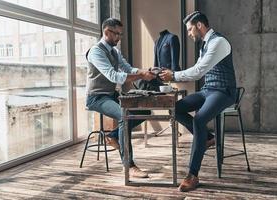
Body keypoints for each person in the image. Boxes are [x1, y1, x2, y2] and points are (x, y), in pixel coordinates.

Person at [159, 11, 237, 192]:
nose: (189, 33)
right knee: (175, 108)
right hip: (208, 90)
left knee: (199, 119)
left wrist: (174, 75)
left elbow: (199, 71)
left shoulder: (219, 42)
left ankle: (192, 175)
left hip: (224, 92)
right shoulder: (205, 45)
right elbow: (197, 69)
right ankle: (208, 138)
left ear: (199, 25)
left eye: (189, 29)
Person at [86, 18, 156, 178]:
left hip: (111, 95)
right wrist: (140, 75)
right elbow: (114, 76)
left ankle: (113, 135)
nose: (119, 38)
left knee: (144, 112)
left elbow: (128, 68)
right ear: (106, 32)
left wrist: (146, 71)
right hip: (96, 97)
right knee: (124, 116)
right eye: (116, 34)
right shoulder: (96, 51)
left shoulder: (115, 51)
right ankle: (129, 166)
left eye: (121, 34)